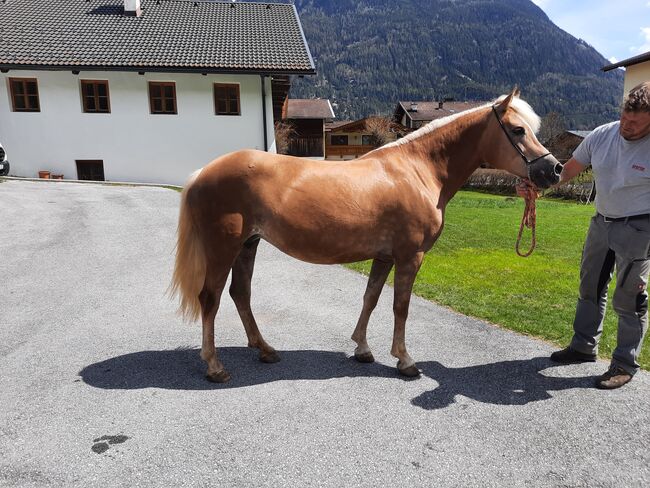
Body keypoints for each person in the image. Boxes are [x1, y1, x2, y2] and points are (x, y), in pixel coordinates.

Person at [522, 81, 650, 389]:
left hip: (639, 228)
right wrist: (536, 184)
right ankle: (583, 346)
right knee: (589, 286)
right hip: (601, 223)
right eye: (624, 117)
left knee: (629, 298)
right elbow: (567, 170)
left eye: (635, 122)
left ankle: (623, 363)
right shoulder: (601, 135)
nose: (626, 125)